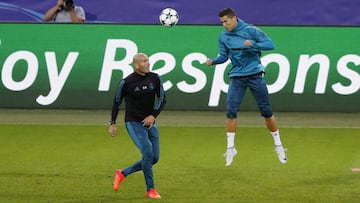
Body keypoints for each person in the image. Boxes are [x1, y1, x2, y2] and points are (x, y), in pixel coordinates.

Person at [206, 8, 287, 166]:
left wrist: (253, 44)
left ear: (234, 19)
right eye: (222, 22)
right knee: (231, 110)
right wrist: (213, 61)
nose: (224, 25)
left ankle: (279, 145)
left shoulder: (250, 30)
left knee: (266, 111)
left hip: (255, 75)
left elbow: (270, 45)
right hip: (237, 76)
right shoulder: (223, 36)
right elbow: (223, 56)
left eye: (226, 21)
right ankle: (230, 148)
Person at [108, 53, 166, 199]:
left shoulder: (155, 78)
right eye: (144, 61)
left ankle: (122, 173)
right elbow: (116, 102)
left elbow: (162, 99)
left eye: (148, 60)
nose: (148, 63)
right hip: (133, 122)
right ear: (136, 65)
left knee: (154, 158)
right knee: (147, 151)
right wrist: (113, 123)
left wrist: (153, 116)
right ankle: (150, 189)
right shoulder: (126, 82)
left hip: (150, 122)